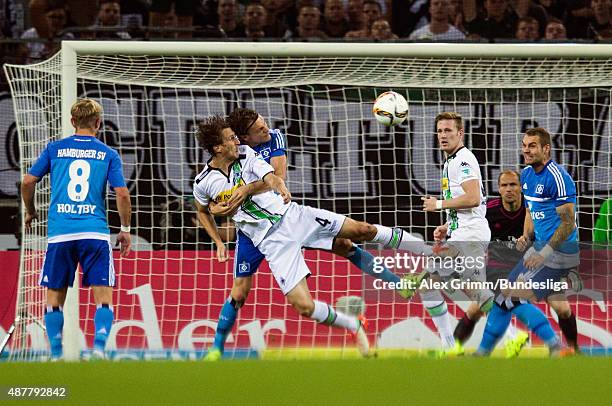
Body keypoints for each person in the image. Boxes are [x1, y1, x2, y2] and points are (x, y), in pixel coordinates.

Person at [193, 115, 432, 359]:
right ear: (217, 147)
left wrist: (272, 184)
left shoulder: (246, 153)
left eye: (236, 136)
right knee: (303, 306)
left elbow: (270, 176)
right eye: (231, 138)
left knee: (362, 231)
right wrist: (219, 240)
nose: (237, 141)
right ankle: (352, 324)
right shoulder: (204, 182)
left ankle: (417, 261)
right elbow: (202, 210)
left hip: (293, 217)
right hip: (270, 241)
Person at [21, 99, 132, 360]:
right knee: (103, 296)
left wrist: (31, 210)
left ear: (72, 122)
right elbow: (122, 193)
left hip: (61, 232)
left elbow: (27, 181)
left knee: (54, 297)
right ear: (98, 123)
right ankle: (98, 350)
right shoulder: (108, 153)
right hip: (94, 232)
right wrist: (125, 228)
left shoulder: (55, 149)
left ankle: (57, 355)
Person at [476, 127, 579, 356]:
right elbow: (531, 211)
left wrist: (543, 254)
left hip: (560, 252)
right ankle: (480, 354)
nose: (526, 150)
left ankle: (556, 347)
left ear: (546, 149)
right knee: (507, 298)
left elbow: (567, 224)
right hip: (540, 248)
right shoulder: (527, 175)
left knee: (512, 296)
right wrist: (526, 235)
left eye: (532, 146)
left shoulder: (558, 178)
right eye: (524, 145)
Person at [405, 112, 494, 355]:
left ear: (460, 133)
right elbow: (471, 203)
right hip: (463, 232)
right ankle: (451, 346)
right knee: (463, 289)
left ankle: (452, 346)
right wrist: (448, 224)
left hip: (471, 235)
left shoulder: (462, 160)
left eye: (448, 130)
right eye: (440, 131)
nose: (443, 135)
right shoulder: (451, 161)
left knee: (431, 281)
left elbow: (474, 198)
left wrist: (439, 205)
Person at [452, 170, 529, 357]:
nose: (509, 189)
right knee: (476, 309)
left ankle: (519, 338)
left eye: (513, 185)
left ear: (521, 187)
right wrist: (445, 228)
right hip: (495, 268)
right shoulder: (489, 209)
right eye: (504, 185)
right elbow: (468, 222)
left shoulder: (531, 209)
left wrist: (528, 239)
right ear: (499, 189)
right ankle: (456, 348)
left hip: (524, 269)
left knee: (497, 302)